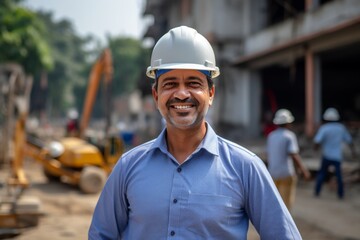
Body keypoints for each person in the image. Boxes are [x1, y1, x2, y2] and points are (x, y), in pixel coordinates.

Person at [89, 26, 302, 239]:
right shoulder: (128, 167)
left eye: (193, 83)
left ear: (210, 93)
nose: (182, 94)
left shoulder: (245, 167)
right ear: (156, 95)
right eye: (170, 84)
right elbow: (101, 234)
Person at [266, 109, 311, 211]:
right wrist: (304, 171)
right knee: (286, 204)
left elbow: (269, 155)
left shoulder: (271, 136)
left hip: (272, 172)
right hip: (286, 173)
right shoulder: (289, 136)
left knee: (274, 202)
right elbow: (294, 154)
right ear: (288, 123)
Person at [314, 107, 356, 199]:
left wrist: (315, 149)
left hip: (326, 156)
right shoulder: (341, 128)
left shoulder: (324, 128)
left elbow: (317, 141)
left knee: (321, 174)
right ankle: (340, 194)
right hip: (337, 156)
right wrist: (353, 152)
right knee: (339, 176)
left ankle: (317, 192)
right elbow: (349, 141)